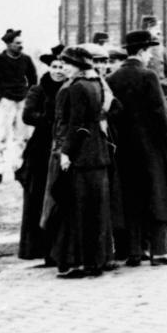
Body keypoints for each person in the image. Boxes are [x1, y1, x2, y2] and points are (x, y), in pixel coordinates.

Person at [107, 30, 167, 267]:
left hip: (124, 150)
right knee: (160, 196)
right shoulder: (148, 76)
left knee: (131, 198)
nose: (151, 55)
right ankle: (160, 251)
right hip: (152, 148)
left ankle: (134, 251)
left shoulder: (112, 78)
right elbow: (162, 116)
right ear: (142, 51)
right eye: (149, 50)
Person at [49, 46, 116, 278]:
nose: (64, 67)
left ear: (78, 66)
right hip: (98, 155)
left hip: (81, 157)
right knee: (96, 211)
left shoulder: (76, 88)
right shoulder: (96, 84)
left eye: (68, 63)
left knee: (77, 211)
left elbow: (77, 124)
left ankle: (77, 262)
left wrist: (67, 153)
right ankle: (96, 262)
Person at [17, 45, 66, 263]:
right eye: (54, 66)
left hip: (61, 146)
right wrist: (49, 119)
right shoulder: (38, 89)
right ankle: (39, 248)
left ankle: (58, 249)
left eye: (62, 66)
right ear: (49, 67)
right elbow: (28, 116)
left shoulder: (69, 88)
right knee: (38, 197)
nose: (58, 70)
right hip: (41, 148)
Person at [0, 28, 37, 184]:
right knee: (0, 136)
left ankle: (20, 168)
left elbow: (33, 80)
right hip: (6, 103)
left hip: (22, 102)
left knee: (22, 137)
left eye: (21, 43)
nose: (21, 46)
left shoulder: (26, 60)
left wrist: (28, 96)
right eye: (17, 43)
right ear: (8, 44)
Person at [141, 16, 167, 101]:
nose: (159, 31)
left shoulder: (161, 48)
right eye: (156, 28)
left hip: (162, 92)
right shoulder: (140, 48)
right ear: (148, 29)